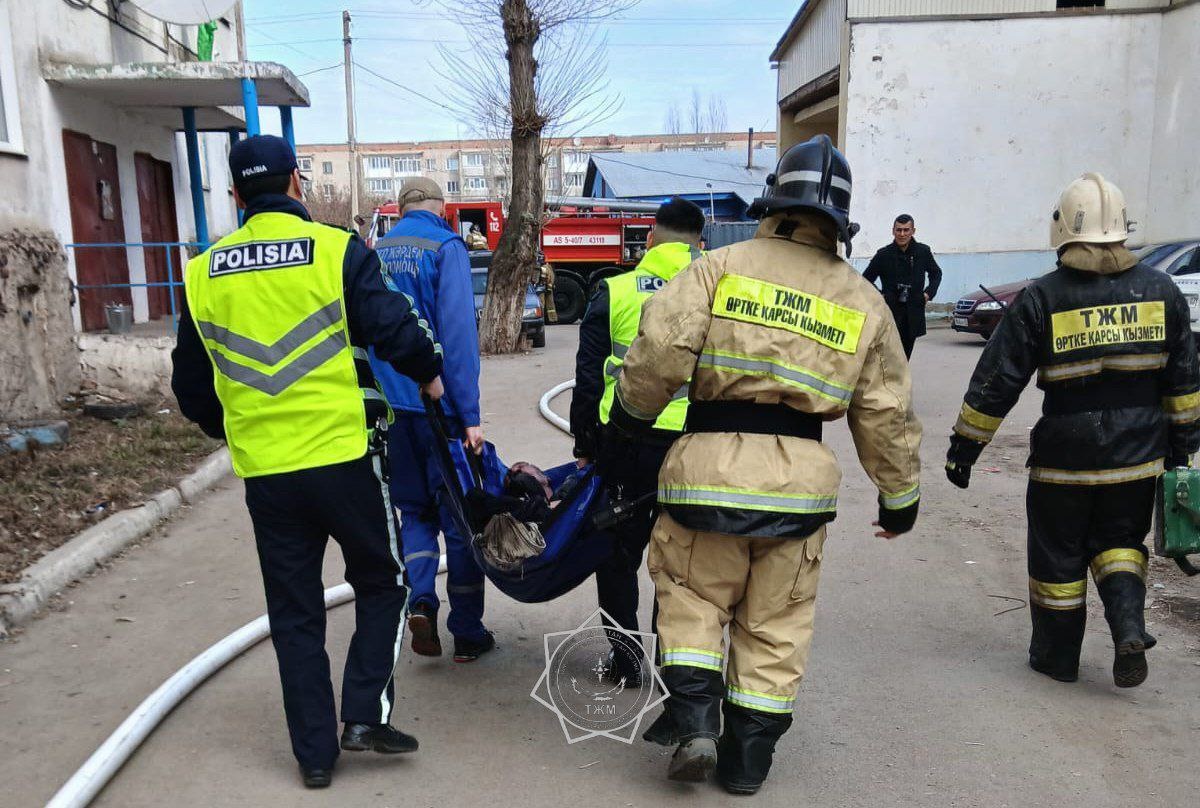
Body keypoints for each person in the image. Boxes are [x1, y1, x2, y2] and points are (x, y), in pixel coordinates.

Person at [608, 135, 922, 793]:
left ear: (773, 203)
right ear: (838, 223)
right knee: (776, 626)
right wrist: (900, 498)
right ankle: (747, 763)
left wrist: (628, 424)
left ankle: (696, 723)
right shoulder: (862, 299)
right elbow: (886, 410)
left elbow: (659, 351)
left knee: (691, 599)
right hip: (799, 491)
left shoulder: (717, 268)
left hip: (706, 472)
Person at [171, 135, 444, 789]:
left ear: (235, 195)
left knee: (294, 611)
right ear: (297, 183)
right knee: (383, 581)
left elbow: (191, 387)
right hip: (342, 455)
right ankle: (364, 715)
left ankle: (315, 757)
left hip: (267, 472)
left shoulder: (202, 273)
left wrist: (233, 426)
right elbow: (395, 328)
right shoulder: (335, 250)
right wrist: (431, 374)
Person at [946, 172, 1200, 689]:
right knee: (1121, 543)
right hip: (1138, 455)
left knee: (1057, 556)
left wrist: (964, 449)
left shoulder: (1043, 296)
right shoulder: (1162, 291)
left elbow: (998, 380)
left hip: (1065, 455)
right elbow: (1185, 383)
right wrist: (1181, 453)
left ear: (1062, 229)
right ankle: (1129, 628)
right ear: (1122, 227)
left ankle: (1057, 658)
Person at [569, 197, 706, 680]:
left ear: (650, 238)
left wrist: (584, 445)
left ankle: (627, 662)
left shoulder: (616, 290)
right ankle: (678, 663)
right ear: (700, 242)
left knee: (617, 556)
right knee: (684, 562)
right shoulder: (720, 292)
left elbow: (588, 377)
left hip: (624, 442)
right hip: (695, 445)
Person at [369, 177, 494, 663]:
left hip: (391, 409)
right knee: (460, 518)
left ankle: (421, 599)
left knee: (414, 513)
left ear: (400, 209)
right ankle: (467, 632)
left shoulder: (373, 253)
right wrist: (470, 415)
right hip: (438, 408)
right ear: (442, 209)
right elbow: (458, 335)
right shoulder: (446, 247)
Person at [863, 214, 942, 358]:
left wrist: (928, 294)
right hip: (889, 313)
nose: (902, 234)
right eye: (899, 230)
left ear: (913, 231)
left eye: (906, 230)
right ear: (893, 231)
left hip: (913, 313)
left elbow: (936, 273)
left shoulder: (922, 252)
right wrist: (880, 296)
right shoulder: (884, 254)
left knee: (905, 356)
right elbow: (866, 279)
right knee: (888, 357)